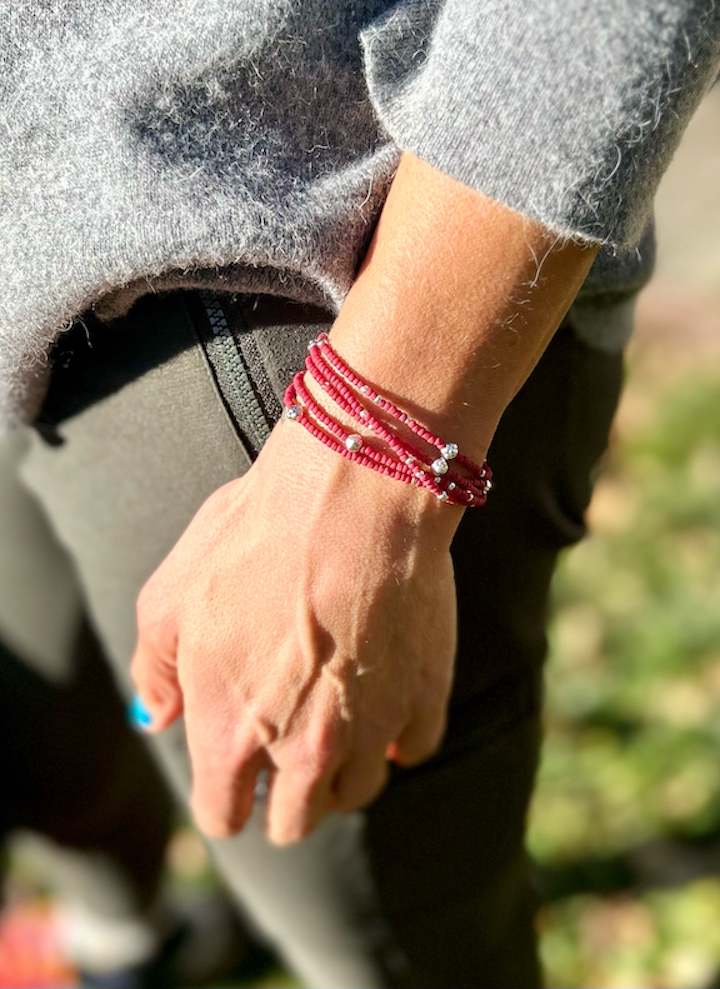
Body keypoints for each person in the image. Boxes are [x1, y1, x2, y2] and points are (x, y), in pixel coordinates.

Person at [1, 2, 719, 986]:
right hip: (37, 224)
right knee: (47, 725)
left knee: (384, 941)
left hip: (298, 281)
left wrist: (377, 438)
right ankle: (135, 941)